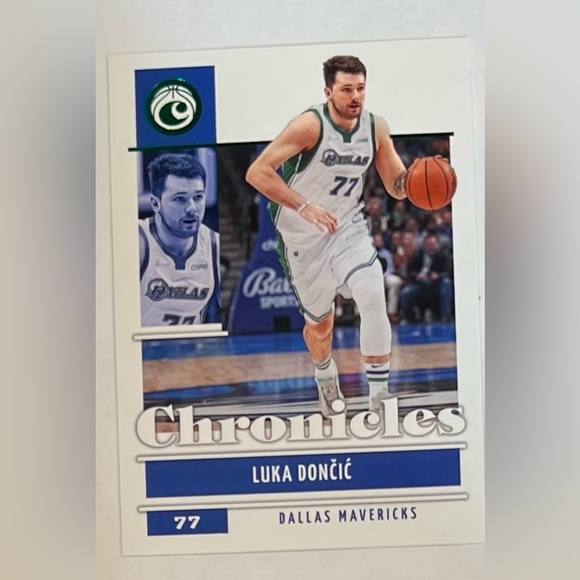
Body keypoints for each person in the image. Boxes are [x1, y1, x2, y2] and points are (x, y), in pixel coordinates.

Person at [246, 55, 414, 416]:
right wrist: (304, 205)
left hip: (347, 228)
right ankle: (325, 375)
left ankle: (379, 398)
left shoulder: (375, 128)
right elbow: (257, 172)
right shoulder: (309, 125)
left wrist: (416, 182)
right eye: (346, 89)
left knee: (373, 294)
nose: (356, 97)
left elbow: (396, 186)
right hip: (302, 240)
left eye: (361, 88)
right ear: (328, 91)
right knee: (320, 329)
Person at [139, 152, 220, 326]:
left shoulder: (214, 245)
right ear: (155, 204)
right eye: (180, 199)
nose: (192, 208)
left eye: (198, 197)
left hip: (189, 343)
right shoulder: (137, 243)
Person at [399, 233, 453, 323]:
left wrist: (438, 275)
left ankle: (444, 318)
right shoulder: (417, 255)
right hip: (420, 284)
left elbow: (448, 271)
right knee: (406, 292)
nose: (431, 246)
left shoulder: (443, 255)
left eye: (433, 244)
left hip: (436, 284)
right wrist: (417, 275)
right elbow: (409, 271)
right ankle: (410, 319)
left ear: (437, 244)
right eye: (428, 244)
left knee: (446, 283)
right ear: (424, 245)